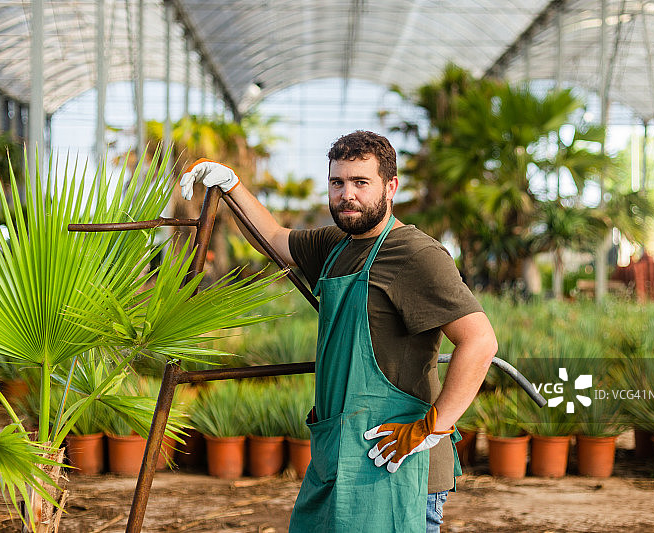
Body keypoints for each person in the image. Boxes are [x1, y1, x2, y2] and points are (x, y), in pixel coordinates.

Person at [180, 130, 498, 533]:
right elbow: (275, 240)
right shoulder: (337, 244)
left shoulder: (417, 254)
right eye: (338, 182)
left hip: (395, 461)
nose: (347, 194)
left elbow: (480, 341)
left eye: (361, 183)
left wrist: (432, 428)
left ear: (391, 187)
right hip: (338, 452)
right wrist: (232, 186)